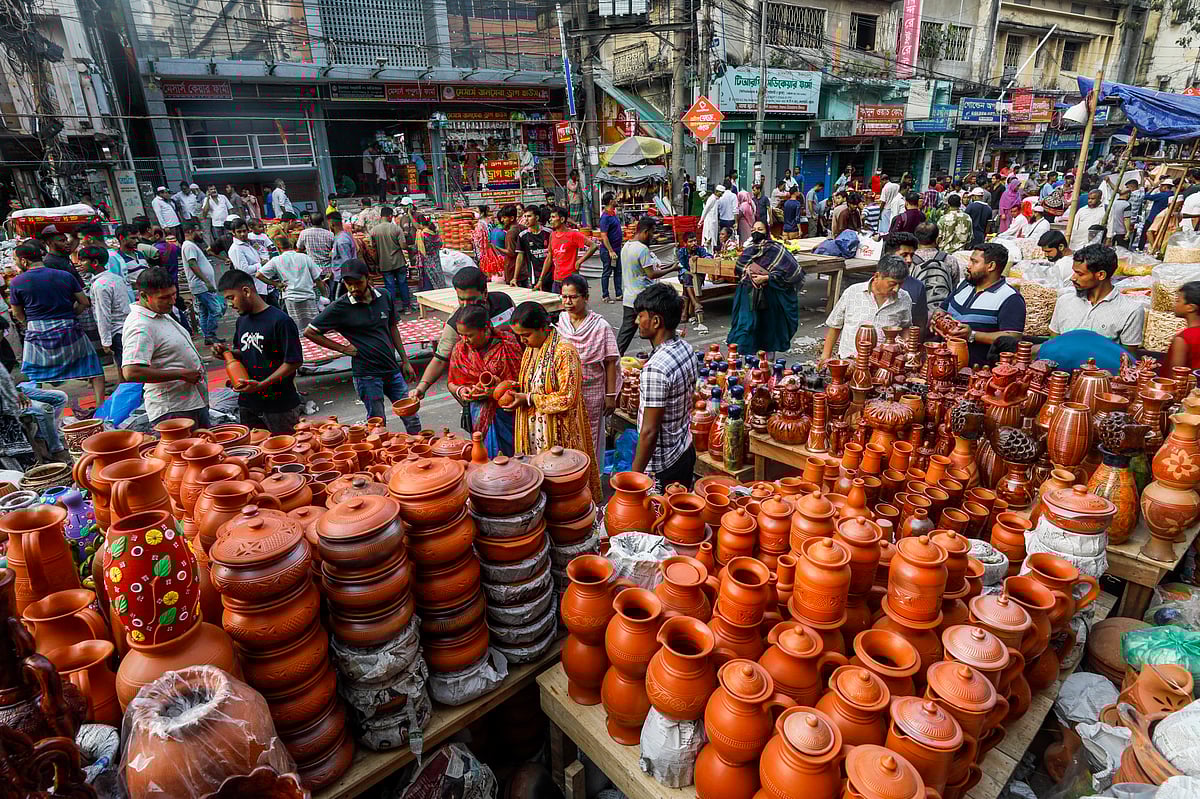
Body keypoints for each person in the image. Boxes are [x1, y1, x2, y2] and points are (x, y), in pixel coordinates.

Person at [305, 259, 421, 430]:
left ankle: (419, 451)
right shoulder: (340, 307)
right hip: (367, 374)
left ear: (368, 279)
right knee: (377, 423)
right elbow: (310, 332)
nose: (353, 289)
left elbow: (392, 328)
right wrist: (343, 349)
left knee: (411, 416)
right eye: (348, 284)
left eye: (358, 283)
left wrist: (405, 360)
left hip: (392, 369)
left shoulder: (384, 296)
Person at [508, 301, 603, 503]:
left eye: (526, 335)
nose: (522, 340)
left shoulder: (564, 351)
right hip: (534, 428)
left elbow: (568, 397)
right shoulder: (532, 348)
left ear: (543, 328)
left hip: (558, 430)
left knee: (562, 485)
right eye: (519, 336)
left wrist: (529, 398)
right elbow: (533, 382)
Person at [9, 242, 106, 409]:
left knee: (34, 375)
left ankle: (38, 409)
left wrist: (30, 324)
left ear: (24, 261)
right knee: (94, 369)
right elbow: (84, 302)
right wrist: (71, 315)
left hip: (37, 331)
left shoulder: (17, 282)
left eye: (15, 259)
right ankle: (100, 407)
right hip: (69, 329)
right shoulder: (64, 276)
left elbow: (17, 313)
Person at [213, 269, 303, 433]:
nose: (230, 304)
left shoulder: (280, 321)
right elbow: (245, 353)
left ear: (246, 291)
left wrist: (261, 385)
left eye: (231, 298)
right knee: (255, 451)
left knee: (286, 453)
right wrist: (227, 353)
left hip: (279, 405)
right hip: (249, 403)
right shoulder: (242, 321)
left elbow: (293, 361)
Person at [122, 267, 208, 428]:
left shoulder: (160, 313)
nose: (172, 300)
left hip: (191, 401)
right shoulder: (140, 325)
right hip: (173, 409)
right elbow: (131, 372)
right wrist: (180, 374)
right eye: (164, 297)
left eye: (174, 294)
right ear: (144, 296)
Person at [411, 265, 513, 401]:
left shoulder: (504, 303)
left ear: (485, 293)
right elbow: (440, 360)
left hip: (512, 383)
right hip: (481, 390)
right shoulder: (456, 323)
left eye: (471, 299)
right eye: (461, 299)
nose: (465, 304)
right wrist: (421, 388)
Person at [630, 282, 698, 487]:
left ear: (656, 321)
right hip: (684, 449)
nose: (636, 321)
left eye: (640, 316)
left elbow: (649, 433)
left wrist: (634, 477)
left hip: (663, 466)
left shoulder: (656, 369)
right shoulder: (685, 348)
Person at [555, 273, 619, 460]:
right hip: (567, 391)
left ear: (586, 297)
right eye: (564, 296)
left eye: (573, 297)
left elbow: (610, 362)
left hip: (593, 391)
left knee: (590, 434)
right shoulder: (562, 321)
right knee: (567, 433)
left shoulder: (601, 326)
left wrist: (610, 396)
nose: (568, 301)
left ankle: (592, 479)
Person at [447, 303, 522, 457]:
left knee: (511, 458)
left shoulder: (507, 345)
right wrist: (462, 391)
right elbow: (452, 383)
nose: (464, 340)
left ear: (486, 328)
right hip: (478, 414)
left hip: (507, 413)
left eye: (469, 335)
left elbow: (521, 381)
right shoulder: (460, 350)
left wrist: (495, 391)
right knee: (484, 457)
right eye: (461, 334)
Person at [727, 221, 803, 358]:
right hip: (748, 295)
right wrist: (748, 271)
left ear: (766, 231)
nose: (756, 231)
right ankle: (750, 365)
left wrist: (766, 278)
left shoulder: (775, 248)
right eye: (754, 228)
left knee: (768, 329)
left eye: (760, 229)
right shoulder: (749, 250)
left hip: (769, 297)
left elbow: (792, 271)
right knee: (747, 327)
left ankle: (768, 364)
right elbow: (739, 269)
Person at [944, 243, 1026, 366]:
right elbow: (943, 308)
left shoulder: (1010, 298)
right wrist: (938, 319)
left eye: (974, 262)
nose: (968, 266)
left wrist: (972, 335)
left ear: (991, 266)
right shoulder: (964, 285)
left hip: (978, 368)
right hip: (945, 359)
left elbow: (1013, 337)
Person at [1049, 243, 1144, 347]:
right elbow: (1053, 345)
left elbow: (1127, 358)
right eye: (1074, 272)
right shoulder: (1064, 301)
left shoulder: (1131, 310)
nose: (1073, 278)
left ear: (1101, 275)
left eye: (1080, 274)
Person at [820, 255, 913, 361]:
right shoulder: (852, 292)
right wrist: (825, 356)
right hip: (850, 360)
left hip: (883, 363)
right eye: (892, 284)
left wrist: (906, 344)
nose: (896, 289)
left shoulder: (904, 298)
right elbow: (835, 326)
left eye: (900, 284)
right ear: (877, 276)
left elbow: (906, 326)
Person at [618, 216, 676, 354]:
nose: (653, 236)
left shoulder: (626, 246)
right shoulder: (642, 249)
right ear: (645, 231)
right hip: (643, 298)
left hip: (629, 297)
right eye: (652, 233)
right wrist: (672, 268)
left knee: (625, 334)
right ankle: (662, 355)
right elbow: (651, 274)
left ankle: (613, 359)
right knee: (655, 329)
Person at [83, 245, 130, 381]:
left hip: (116, 331)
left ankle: (133, 395)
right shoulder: (115, 278)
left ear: (95, 263)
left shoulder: (100, 285)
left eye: (83, 260)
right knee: (124, 364)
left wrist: (105, 340)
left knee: (124, 366)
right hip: (124, 327)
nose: (80, 264)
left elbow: (103, 314)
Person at [259, 236, 324, 330]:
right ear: (290, 245)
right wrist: (324, 295)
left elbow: (259, 275)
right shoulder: (304, 257)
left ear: (278, 247)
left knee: (296, 327)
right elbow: (317, 279)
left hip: (291, 298)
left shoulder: (276, 260)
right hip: (308, 296)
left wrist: (276, 284)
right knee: (313, 327)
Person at [181, 222, 224, 344]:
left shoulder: (190, 245)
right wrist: (206, 281)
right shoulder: (189, 246)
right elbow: (192, 264)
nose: (200, 233)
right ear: (190, 232)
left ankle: (207, 336)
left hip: (200, 285)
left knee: (204, 311)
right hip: (201, 285)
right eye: (198, 231)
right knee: (216, 310)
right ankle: (210, 334)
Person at [542, 206, 597, 293]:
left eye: (553, 217)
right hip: (556, 280)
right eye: (550, 217)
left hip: (571, 279)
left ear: (562, 219)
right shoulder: (552, 235)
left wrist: (579, 261)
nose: (550, 220)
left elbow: (593, 246)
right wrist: (541, 279)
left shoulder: (573, 234)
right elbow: (549, 257)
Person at [372, 206, 413, 313]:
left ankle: (392, 309)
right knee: (403, 284)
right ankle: (406, 307)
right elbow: (403, 246)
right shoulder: (396, 229)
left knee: (389, 286)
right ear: (390, 216)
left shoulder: (374, 231)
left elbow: (373, 248)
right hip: (399, 261)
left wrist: (376, 263)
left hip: (384, 263)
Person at [911, 222, 958, 314]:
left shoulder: (909, 260)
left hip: (917, 311)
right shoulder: (950, 260)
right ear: (937, 239)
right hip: (942, 311)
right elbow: (954, 285)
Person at [228, 218, 276, 307]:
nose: (243, 234)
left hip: (264, 285)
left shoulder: (249, 242)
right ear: (233, 233)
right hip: (255, 289)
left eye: (244, 231)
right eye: (239, 232)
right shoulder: (235, 249)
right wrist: (260, 264)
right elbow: (245, 270)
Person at [675, 230, 708, 332]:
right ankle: (695, 304)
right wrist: (689, 272)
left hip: (698, 276)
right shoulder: (681, 251)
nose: (693, 243)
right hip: (685, 276)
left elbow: (709, 256)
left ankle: (685, 312)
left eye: (695, 241)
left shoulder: (700, 250)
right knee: (687, 276)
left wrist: (699, 260)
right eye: (690, 241)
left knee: (690, 280)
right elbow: (681, 267)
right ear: (685, 243)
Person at [1166, 281, 1200, 372]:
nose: (1174, 304)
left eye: (1178, 301)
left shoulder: (1183, 339)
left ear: (1190, 308)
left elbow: (1174, 377)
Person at [597, 193, 624, 302]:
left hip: (616, 248)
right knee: (607, 272)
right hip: (608, 250)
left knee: (618, 271)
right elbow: (604, 236)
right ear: (610, 201)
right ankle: (605, 295)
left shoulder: (613, 214)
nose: (617, 200)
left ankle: (619, 294)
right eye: (614, 198)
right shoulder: (605, 217)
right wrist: (610, 251)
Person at [516, 206, 551, 290]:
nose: (526, 219)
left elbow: (552, 255)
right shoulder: (523, 235)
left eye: (529, 216)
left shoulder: (549, 233)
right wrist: (515, 277)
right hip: (534, 276)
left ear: (537, 217)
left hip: (551, 275)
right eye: (525, 216)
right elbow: (520, 256)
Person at [297, 213, 335, 285]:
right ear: (323, 222)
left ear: (310, 222)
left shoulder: (304, 233)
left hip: (312, 270)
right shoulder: (330, 234)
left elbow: (299, 250)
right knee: (330, 293)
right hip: (328, 270)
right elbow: (335, 251)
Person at [413, 213, 446, 292]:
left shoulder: (422, 235)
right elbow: (440, 245)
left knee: (428, 286)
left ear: (421, 224)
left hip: (427, 264)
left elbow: (418, 249)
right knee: (437, 282)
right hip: (436, 262)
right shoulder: (434, 233)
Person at [329, 212, 358, 297]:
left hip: (341, 279)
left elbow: (347, 262)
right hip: (339, 277)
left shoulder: (342, 240)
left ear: (331, 223)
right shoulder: (342, 236)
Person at [699, 186, 721, 251]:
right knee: (708, 238)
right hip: (709, 222)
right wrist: (701, 220)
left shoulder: (715, 199)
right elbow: (705, 210)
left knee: (712, 238)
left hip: (713, 222)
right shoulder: (712, 199)